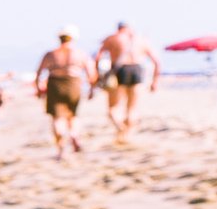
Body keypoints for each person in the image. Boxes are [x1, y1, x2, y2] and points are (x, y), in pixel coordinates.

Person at [34, 27, 96, 161]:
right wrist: (91, 89)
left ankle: (61, 149)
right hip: (74, 83)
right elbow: (91, 73)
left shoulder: (51, 54)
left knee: (57, 118)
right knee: (73, 115)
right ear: (73, 38)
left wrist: (38, 89)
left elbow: (39, 72)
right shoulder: (80, 53)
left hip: (55, 84)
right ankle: (73, 134)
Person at [94, 20, 161, 140]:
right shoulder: (142, 40)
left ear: (118, 28)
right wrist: (155, 81)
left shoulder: (113, 38)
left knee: (113, 108)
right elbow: (157, 62)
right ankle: (127, 135)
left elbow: (97, 57)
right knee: (132, 108)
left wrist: (98, 76)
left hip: (119, 70)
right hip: (137, 69)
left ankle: (121, 128)